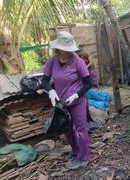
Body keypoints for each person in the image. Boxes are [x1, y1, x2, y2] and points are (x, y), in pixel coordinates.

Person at [42, 31, 92, 170]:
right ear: (58, 49)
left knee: (81, 128)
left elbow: (88, 83)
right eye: (66, 50)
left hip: (77, 101)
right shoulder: (52, 61)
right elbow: (44, 80)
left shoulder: (78, 61)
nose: (69, 52)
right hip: (61, 102)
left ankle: (83, 157)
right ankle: (75, 152)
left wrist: (76, 95)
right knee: (67, 129)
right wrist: (50, 91)